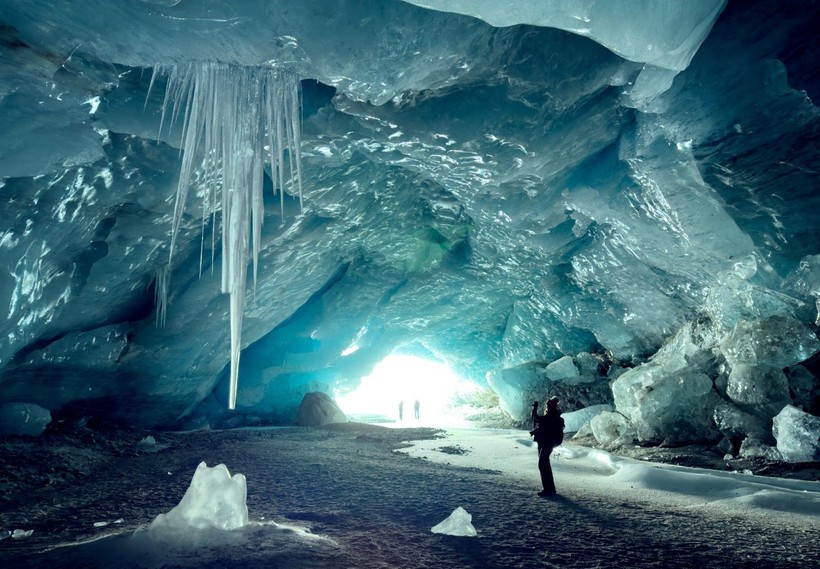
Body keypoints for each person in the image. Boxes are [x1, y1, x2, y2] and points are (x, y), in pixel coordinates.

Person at [530, 396, 564, 497]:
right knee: (543, 463)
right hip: (545, 441)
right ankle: (549, 488)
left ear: (554, 407)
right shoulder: (550, 416)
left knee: (543, 462)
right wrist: (534, 408)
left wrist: (534, 408)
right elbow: (538, 419)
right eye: (547, 406)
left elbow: (539, 419)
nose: (548, 407)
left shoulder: (554, 417)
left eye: (550, 406)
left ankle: (549, 489)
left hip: (549, 441)